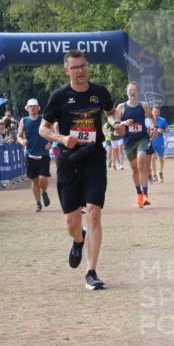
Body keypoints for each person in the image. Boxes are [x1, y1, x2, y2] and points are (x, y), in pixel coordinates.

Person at [39, 50, 118, 291]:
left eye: (83, 66)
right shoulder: (59, 96)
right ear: (67, 71)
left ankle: (91, 271)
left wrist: (117, 124)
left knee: (94, 211)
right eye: (75, 68)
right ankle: (78, 239)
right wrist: (62, 138)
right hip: (69, 161)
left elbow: (111, 113)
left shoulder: (99, 92)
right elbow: (44, 128)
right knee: (71, 222)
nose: (81, 71)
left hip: (94, 157)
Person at [113, 81, 155, 208]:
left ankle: (145, 195)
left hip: (142, 138)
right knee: (134, 169)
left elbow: (151, 117)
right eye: (130, 90)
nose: (132, 92)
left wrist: (153, 127)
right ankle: (139, 195)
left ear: (138, 92)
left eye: (134, 90)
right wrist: (124, 122)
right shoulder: (121, 107)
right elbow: (116, 123)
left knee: (141, 162)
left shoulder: (144, 105)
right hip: (128, 141)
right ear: (127, 92)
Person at [17, 98, 52, 212]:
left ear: (38, 108)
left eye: (34, 106)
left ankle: (44, 192)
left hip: (43, 153)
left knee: (42, 178)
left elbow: (52, 133)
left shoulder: (44, 119)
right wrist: (22, 141)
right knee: (34, 180)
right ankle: (37, 203)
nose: (32, 108)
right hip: (30, 154)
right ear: (27, 108)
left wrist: (50, 143)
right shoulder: (24, 120)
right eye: (30, 106)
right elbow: (19, 135)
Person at [147, 105, 169, 183]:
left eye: (157, 112)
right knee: (152, 158)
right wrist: (149, 132)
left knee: (161, 159)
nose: (156, 113)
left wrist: (162, 130)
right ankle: (154, 175)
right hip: (151, 142)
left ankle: (160, 172)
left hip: (160, 142)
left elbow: (167, 131)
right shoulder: (148, 120)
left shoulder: (163, 120)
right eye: (154, 111)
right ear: (152, 112)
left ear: (159, 112)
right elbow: (146, 131)